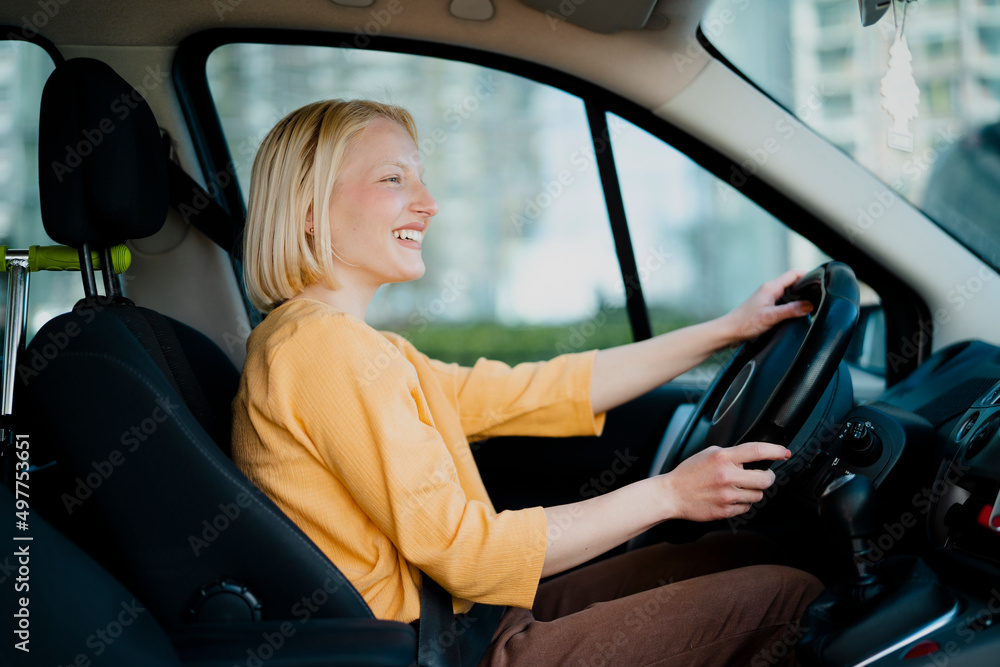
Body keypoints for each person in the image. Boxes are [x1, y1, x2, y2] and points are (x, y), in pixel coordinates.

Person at [231, 99, 825, 666]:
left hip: (463, 623)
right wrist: (670, 495)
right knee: (787, 598)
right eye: (394, 180)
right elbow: (468, 554)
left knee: (745, 553)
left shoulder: (360, 347)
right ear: (309, 210)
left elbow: (543, 390)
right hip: (441, 650)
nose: (429, 203)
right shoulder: (322, 349)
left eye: (422, 179)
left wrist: (729, 328)